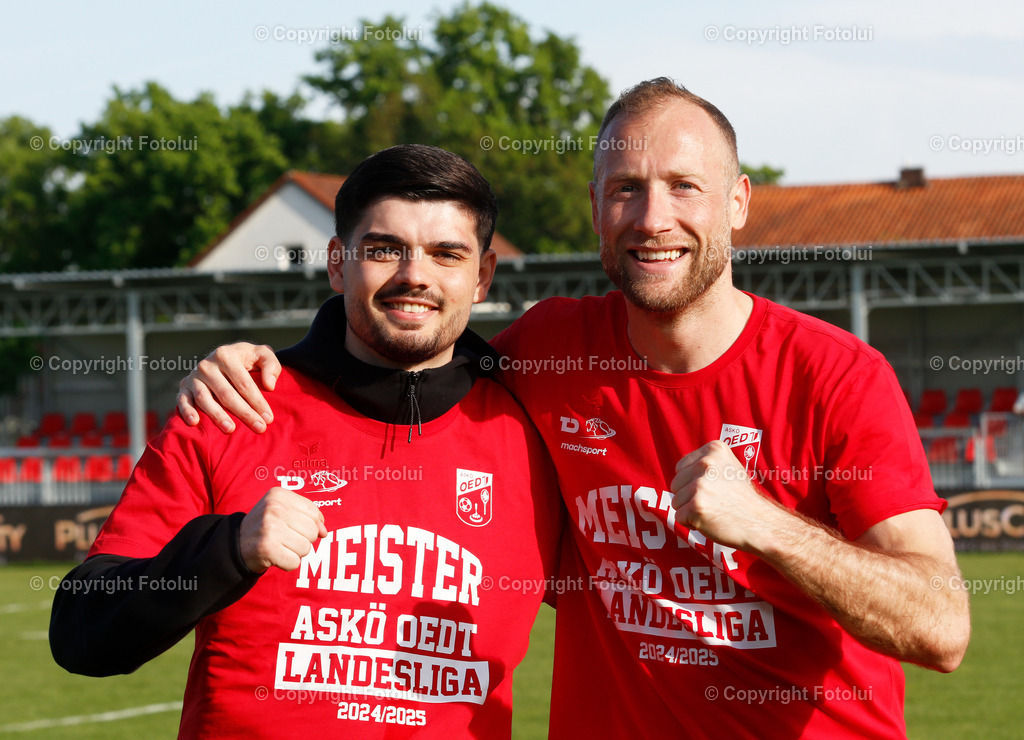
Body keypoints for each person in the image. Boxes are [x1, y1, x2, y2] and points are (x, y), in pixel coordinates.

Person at [177, 79, 971, 739]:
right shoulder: (549, 350)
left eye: (683, 186)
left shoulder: (834, 376)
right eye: (626, 189)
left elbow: (941, 628)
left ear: (737, 202)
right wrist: (269, 364)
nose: (653, 219)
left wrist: (766, 525)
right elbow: (408, 352)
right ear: (596, 208)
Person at [49, 144, 563, 739]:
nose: (414, 275)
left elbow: (638, 617)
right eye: (384, 249)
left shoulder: (540, 437)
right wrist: (227, 549)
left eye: (446, 254)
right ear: (338, 263)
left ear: (483, 277)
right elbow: (83, 634)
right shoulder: (235, 408)